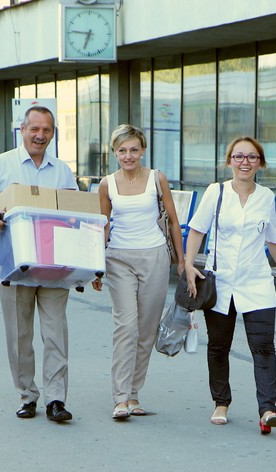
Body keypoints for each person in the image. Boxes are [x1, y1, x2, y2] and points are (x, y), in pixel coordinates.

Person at [0, 106, 77, 423]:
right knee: (19, 335)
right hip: (13, 263)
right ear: (22, 130)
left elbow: (75, 213)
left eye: (47, 130)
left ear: (53, 133)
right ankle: (28, 396)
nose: (40, 136)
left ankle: (56, 399)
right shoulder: (1, 164)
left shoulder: (62, 171)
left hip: (54, 264)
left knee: (55, 334)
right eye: (34, 129)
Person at [183, 136, 276, 435]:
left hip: (256, 281)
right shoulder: (215, 192)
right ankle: (221, 402)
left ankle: (267, 410)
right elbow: (197, 230)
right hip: (220, 283)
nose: (245, 162)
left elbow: (273, 238)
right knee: (219, 347)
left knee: (264, 347)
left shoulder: (266, 197)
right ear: (229, 160)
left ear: (260, 163)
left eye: (252, 157)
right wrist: (189, 265)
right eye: (239, 156)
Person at [91, 124, 185, 420]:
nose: (128, 155)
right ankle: (119, 398)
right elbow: (102, 225)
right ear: (114, 153)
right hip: (118, 258)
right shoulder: (106, 184)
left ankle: (133, 393)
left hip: (155, 257)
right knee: (126, 326)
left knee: (146, 329)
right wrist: (96, 267)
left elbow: (173, 221)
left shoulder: (157, 179)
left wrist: (182, 262)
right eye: (122, 150)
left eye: (133, 149)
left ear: (143, 150)